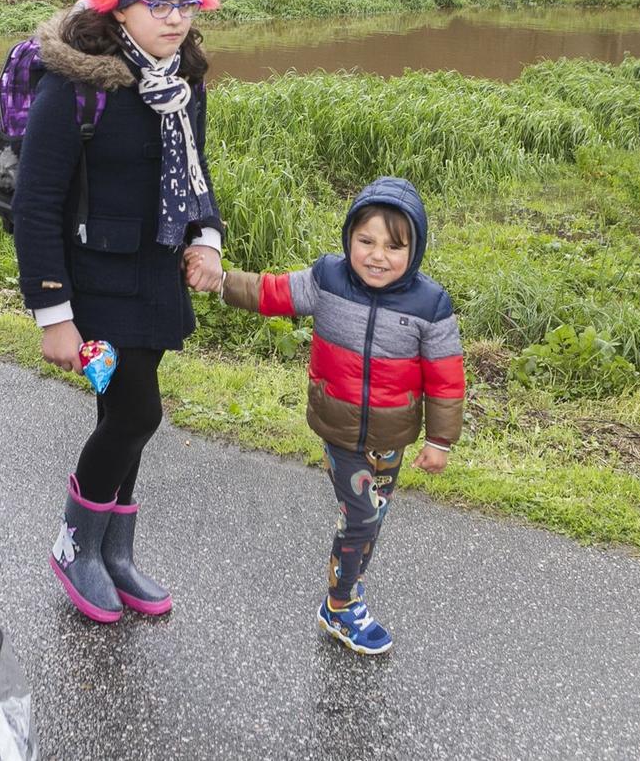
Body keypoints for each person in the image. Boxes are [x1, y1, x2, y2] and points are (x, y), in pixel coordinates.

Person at [10, 0, 224, 623]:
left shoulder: (182, 82)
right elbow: (36, 206)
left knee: (119, 417)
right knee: (138, 411)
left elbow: (196, 175)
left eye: (184, 1)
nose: (174, 16)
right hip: (93, 282)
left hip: (154, 273)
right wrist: (53, 313)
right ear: (117, 7)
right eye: (156, 2)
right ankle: (76, 545)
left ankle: (114, 552)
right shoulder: (74, 85)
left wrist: (207, 241)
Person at [196, 177, 464, 655]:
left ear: (415, 249)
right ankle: (340, 606)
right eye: (366, 241)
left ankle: (348, 588)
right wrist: (220, 281)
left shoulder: (431, 304)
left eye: (393, 246)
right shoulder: (328, 280)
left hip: (392, 435)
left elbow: (446, 379)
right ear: (349, 239)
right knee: (360, 516)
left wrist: (439, 441)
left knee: (372, 520)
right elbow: (272, 292)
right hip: (340, 430)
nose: (377, 256)